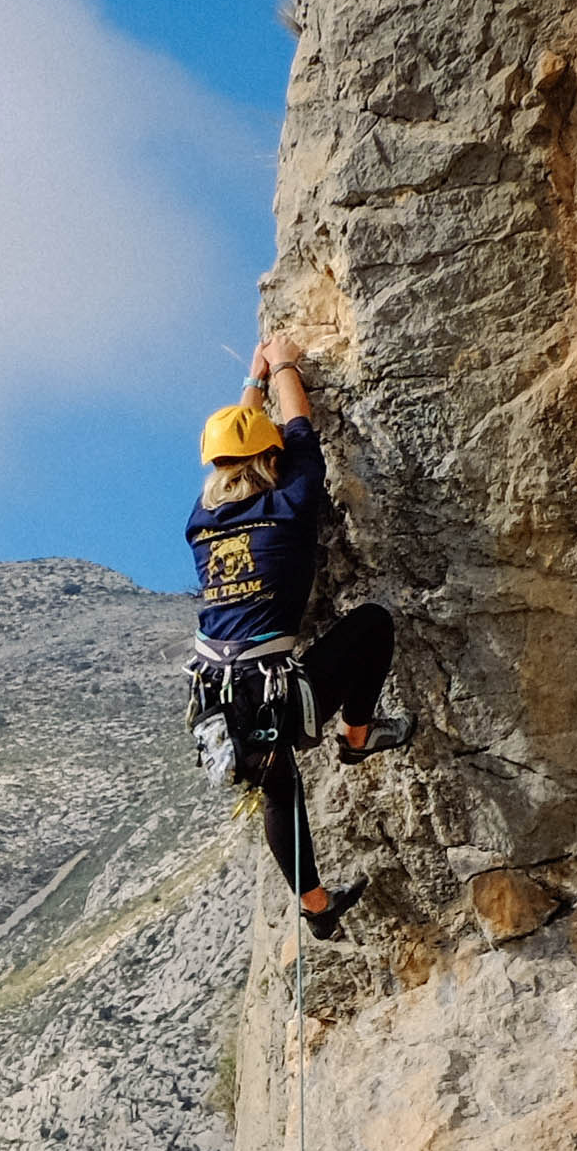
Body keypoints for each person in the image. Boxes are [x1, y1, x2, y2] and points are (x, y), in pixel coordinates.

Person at [188, 326, 402, 932]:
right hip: (270, 684)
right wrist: (284, 367)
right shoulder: (292, 502)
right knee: (374, 625)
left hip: (216, 690)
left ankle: (316, 908)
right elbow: (301, 428)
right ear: (272, 458)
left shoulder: (202, 520)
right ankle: (358, 736)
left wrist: (253, 381)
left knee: (278, 791)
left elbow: (239, 446)